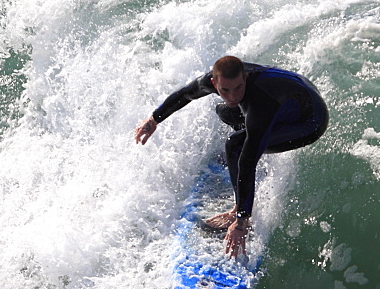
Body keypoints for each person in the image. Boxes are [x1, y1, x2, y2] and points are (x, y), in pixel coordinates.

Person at [134, 56, 328, 258]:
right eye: (224, 90)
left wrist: (242, 221)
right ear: (213, 83)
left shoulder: (259, 105)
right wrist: (154, 119)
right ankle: (254, 138)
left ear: (244, 77)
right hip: (295, 92)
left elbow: (248, 160)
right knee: (225, 111)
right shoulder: (214, 81)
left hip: (310, 121)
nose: (232, 95)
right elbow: (186, 94)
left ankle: (238, 209)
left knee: (235, 145)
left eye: (237, 88)